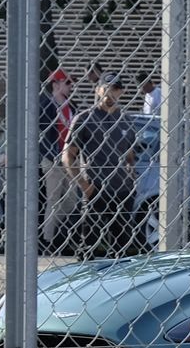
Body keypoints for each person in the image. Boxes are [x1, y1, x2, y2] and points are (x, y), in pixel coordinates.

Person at [64, 73, 139, 258]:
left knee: (122, 250)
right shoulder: (85, 119)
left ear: (121, 92)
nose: (110, 93)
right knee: (88, 247)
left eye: (115, 88)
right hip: (95, 189)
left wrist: (131, 179)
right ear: (98, 90)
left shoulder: (126, 121)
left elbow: (130, 156)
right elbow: (68, 156)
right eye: (106, 88)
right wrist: (85, 186)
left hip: (122, 192)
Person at [38, 69, 78, 251]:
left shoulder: (72, 106)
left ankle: (54, 230)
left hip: (70, 158)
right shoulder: (46, 105)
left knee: (71, 200)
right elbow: (44, 135)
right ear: (55, 84)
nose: (71, 86)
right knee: (53, 198)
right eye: (67, 82)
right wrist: (53, 156)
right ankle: (47, 239)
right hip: (52, 159)